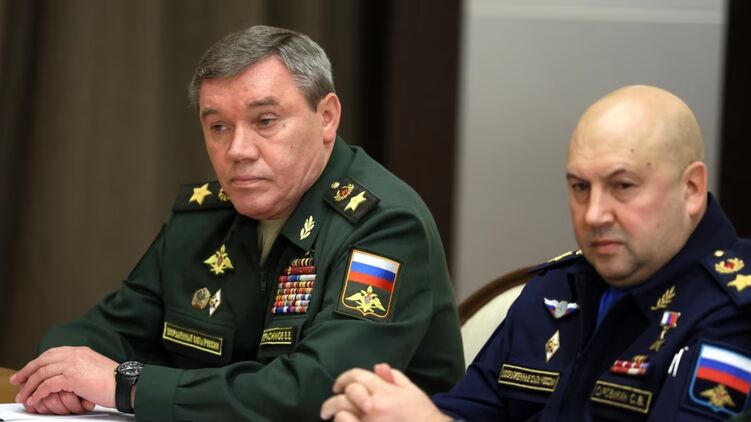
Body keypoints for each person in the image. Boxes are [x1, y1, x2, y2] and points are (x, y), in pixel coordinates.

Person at [10, 25, 464, 420]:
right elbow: (106, 332)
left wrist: (129, 386)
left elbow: (316, 391)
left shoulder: (384, 226)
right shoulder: (207, 216)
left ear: (326, 117)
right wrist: (62, 373)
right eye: (219, 127)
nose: (238, 151)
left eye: (265, 121)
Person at [321, 85, 751, 421]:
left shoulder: (735, 309)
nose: (594, 214)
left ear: (691, 189)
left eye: (622, 186)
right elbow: (469, 409)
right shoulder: (558, 289)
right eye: (580, 187)